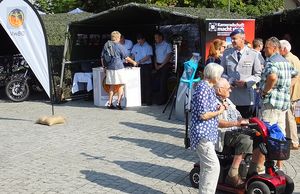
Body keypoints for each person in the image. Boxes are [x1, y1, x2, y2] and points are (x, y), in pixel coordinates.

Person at [260, 36, 298, 169]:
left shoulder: (272, 62)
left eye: (266, 47)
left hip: (271, 104)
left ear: (274, 48)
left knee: (266, 132)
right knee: (280, 133)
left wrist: (266, 91)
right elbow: (295, 74)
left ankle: (264, 164)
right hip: (282, 104)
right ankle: (279, 164)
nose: (264, 49)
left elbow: (272, 76)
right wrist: (286, 87)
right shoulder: (285, 62)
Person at [190, 63, 225, 194]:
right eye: (219, 75)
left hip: (206, 133)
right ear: (214, 75)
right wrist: (219, 112)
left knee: (207, 166)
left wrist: (217, 108)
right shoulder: (203, 88)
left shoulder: (208, 87)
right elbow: (203, 115)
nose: (220, 77)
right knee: (213, 166)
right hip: (202, 133)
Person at [214, 78, 252, 187]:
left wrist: (246, 121)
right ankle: (233, 173)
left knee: (257, 135)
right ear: (220, 90)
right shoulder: (214, 102)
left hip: (235, 130)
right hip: (223, 134)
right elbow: (218, 122)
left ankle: (252, 170)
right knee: (245, 140)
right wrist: (236, 123)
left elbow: (239, 116)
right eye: (228, 88)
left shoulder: (228, 101)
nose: (231, 90)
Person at [221, 29, 262, 118]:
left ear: (242, 39)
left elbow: (258, 75)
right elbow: (222, 72)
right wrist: (231, 81)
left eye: (234, 39)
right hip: (231, 96)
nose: (232, 41)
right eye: (231, 39)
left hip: (246, 97)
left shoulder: (253, 54)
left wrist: (246, 82)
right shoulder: (227, 53)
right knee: (231, 125)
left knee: (245, 124)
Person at [101, 31, 137, 110]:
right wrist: (134, 62)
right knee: (121, 85)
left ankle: (109, 103)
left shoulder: (106, 45)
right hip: (118, 67)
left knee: (112, 86)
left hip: (109, 68)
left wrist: (104, 67)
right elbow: (126, 57)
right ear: (117, 38)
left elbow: (102, 57)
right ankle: (118, 103)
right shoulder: (119, 46)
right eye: (120, 37)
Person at [279, 39, 300, 150]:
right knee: (290, 117)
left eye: (280, 48)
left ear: (285, 49)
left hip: (290, 94)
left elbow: (292, 78)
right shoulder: (295, 58)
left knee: (289, 118)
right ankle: (293, 140)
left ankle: (293, 141)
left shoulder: (288, 60)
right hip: (295, 93)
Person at [131, 33, 153, 105]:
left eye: (140, 40)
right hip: (137, 66)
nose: (138, 41)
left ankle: (148, 101)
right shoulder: (135, 46)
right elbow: (133, 55)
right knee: (139, 83)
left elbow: (148, 57)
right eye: (137, 40)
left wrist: (139, 61)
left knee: (147, 83)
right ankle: (141, 99)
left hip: (146, 66)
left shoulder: (148, 46)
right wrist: (130, 60)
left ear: (144, 39)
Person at [153, 31, 172, 105]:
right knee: (158, 82)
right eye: (155, 38)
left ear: (161, 37)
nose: (155, 39)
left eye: (157, 37)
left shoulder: (167, 45)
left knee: (163, 83)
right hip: (157, 65)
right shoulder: (156, 45)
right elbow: (155, 55)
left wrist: (161, 66)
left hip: (165, 65)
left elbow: (168, 56)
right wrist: (155, 65)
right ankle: (159, 98)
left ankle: (163, 100)